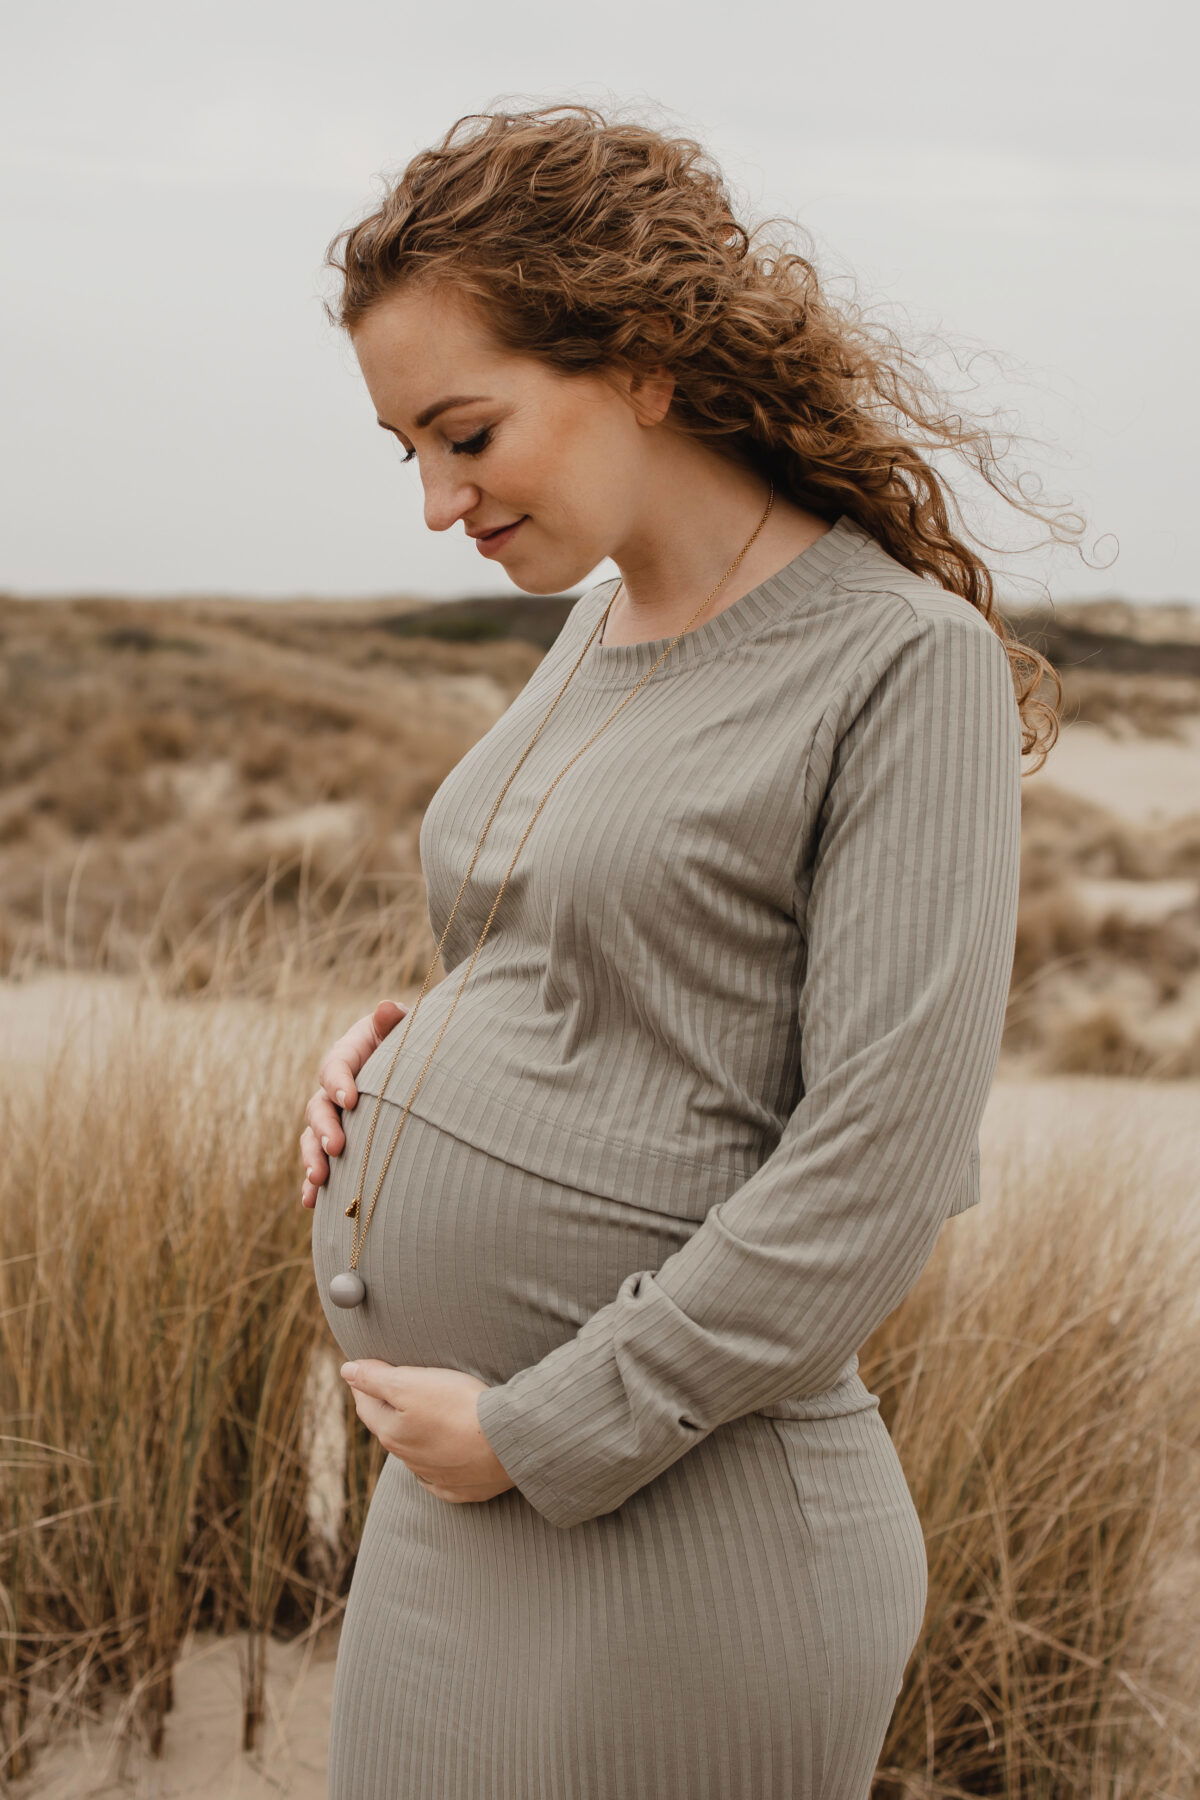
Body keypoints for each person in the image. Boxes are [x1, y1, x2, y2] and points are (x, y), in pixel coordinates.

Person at [300, 102, 1064, 1800]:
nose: (436, 502)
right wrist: (403, 1059)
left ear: (644, 360)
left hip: (686, 1538)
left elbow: (877, 1167)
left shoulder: (900, 663)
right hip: (450, 1516)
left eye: (467, 434)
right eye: (404, 449)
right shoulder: (597, 625)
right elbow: (612, 971)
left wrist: (535, 1434)